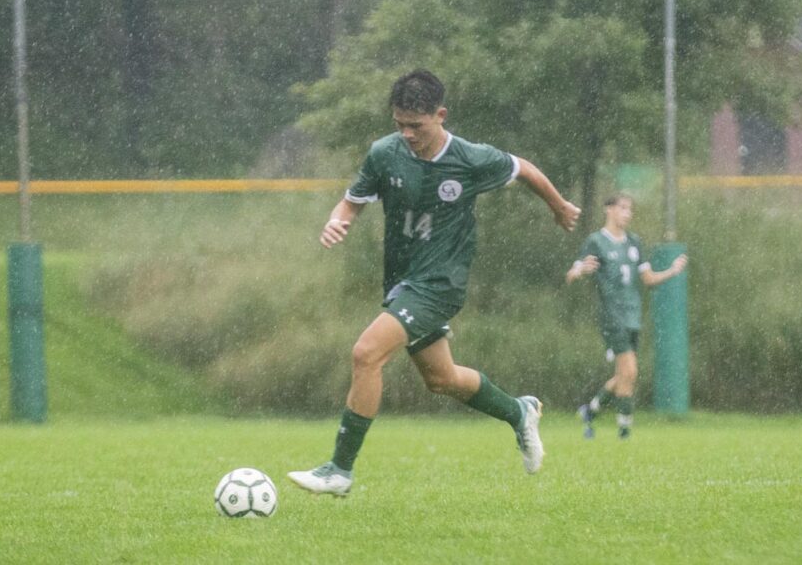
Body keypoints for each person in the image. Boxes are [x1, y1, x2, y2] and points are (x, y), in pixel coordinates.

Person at [288, 69, 581, 497]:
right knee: (442, 379)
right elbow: (351, 203)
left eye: (416, 126)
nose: (406, 134)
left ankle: (340, 470)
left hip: (440, 283)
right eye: (399, 124)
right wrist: (338, 221)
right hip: (402, 284)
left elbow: (523, 168)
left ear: (440, 115)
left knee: (366, 354)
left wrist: (558, 206)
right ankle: (518, 412)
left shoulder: (469, 158)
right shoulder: (384, 154)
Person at [565, 193, 687, 440]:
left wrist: (672, 271)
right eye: (622, 208)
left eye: (630, 209)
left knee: (625, 374)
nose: (627, 213)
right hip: (612, 317)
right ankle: (624, 430)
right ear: (608, 210)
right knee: (630, 371)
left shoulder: (634, 242)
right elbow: (572, 273)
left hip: (633, 317)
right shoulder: (596, 241)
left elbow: (649, 279)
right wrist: (579, 271)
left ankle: (591, 410)